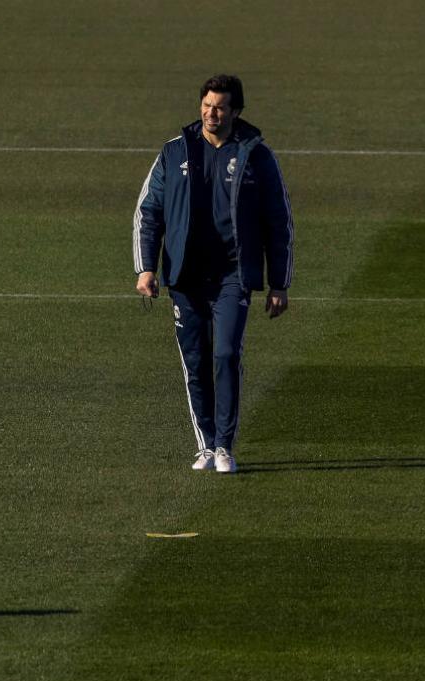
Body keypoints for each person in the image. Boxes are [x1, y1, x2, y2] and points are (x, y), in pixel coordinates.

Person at [133, 74, 295, 474]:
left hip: (233, 276)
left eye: (220, 107)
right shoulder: (175, 152)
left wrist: (280, 283)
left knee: (224, 354)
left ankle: (225, 446)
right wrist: (146, 267)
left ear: (236, 111)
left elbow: (279, 221)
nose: (211, 113)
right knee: (196, 360)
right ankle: (205, 445)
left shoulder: (256, 155)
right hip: (185, 276)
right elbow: (148, 212)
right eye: (206, 105)